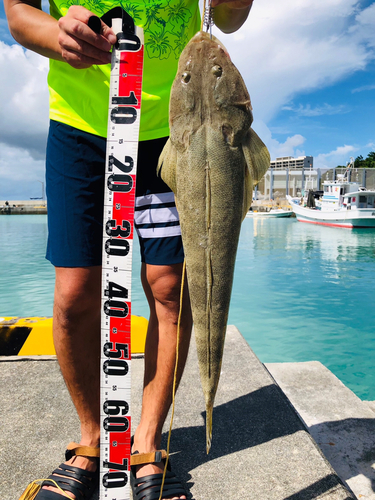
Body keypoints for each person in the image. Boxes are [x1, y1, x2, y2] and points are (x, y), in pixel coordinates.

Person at [4, 0, 253, 498]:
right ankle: (91, 439)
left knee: (168, 288)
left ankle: (147, 442)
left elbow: (228, 18)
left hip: (174, 131)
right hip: (80, 124)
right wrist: (59, 35)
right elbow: (17, 14)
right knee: (75, 292)